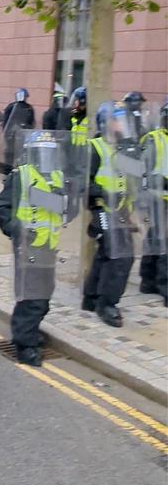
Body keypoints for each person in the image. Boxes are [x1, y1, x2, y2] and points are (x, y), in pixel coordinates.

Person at [0, 130, 78, 366]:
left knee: (44, 294)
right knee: (31, 296)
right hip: (27, 246)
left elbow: (68, 211)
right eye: (41, 153)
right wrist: (15, 230)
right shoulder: (21, 176)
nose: (45, 158)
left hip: (48, 246)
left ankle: (29, 331)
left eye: (50, 153)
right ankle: (25, 344)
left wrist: (68, 199)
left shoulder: (58, 177)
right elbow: (1, 208)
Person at [82, 102, 137, 327]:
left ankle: (92, 297)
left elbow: (133, 177)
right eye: (117, 120)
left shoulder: (121, 148)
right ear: (105, 123)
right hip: (103, 208)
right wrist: (102, 192)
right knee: (121, 257)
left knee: (107, 253)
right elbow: (84, 183)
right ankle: (107, 303)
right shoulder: (95, 147)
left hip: (121, 209)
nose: (121, 125)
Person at [139, 97, 168, 305]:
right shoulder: (154, 139)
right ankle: (164, 286)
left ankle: (148, 280)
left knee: (155, 238)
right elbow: (140, 168)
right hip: (158, 197)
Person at [2, 88, 36, 172]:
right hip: (11, 134)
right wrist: (7, 133)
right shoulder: (11, 106)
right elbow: (6, 121)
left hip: (23, 134)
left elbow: (31, 122)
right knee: (10, 154)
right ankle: (8, 173)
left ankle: (19, 171)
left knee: (21, 154)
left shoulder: (28, 108)